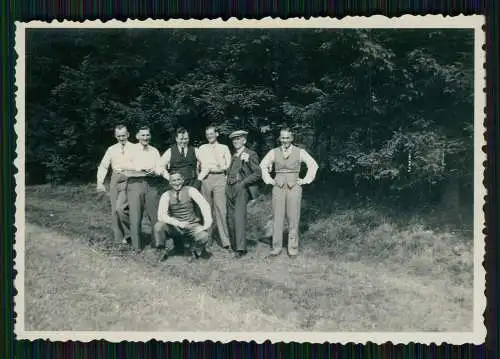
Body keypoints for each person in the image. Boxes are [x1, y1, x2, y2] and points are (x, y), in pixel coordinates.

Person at [260, 126, 319, 257]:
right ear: (279, 138)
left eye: (287, 138)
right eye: (282, 138)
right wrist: (269, 180)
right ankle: (276, 248)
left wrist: (304, 180)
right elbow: (263, 165)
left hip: (294, 186)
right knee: (277, 217)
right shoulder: (273, 152)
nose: (284, 140)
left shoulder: (300, 152)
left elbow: (313, 165)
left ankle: (293, 248)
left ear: (292, 138)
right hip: (278, 186)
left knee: (293, 217)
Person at [118, 126, 163, 251]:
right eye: (143, 135)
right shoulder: (130, 149)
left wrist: (155, 171)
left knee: (154, 215)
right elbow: (122, 165)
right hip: (134, 183)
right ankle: (137, 246)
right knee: (135, 216)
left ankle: (158, 244)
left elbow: (160, 167)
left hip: (151, 183)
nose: (145, 138)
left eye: (147, 135)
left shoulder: (154, 151)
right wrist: (140, 168)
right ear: (137, 136)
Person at [154, 171, 213, 262]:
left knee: (204, 236)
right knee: (158, 226)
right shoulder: (166, 195)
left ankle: (194, 250)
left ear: (183, 180)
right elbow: (161, 216)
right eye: (173, 180)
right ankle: (161, 251)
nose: (176, 183)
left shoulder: (191, 190)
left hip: (191, 224)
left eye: (178, 180)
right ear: (170, 182)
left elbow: (204, 205)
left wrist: (207, 224)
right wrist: (179, 224)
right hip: (175, 226)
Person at [226, 130, 262, 258]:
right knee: (230, 218)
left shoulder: (250, 154)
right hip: (229, 187)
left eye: (238, 139)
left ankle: (241, 249)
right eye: (234, 140)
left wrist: (243, 183)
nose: (235, 141)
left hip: (240, 188)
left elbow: (257, 173)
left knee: (238, 217)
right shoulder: (234, 155)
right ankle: (234, 245)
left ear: (244, 141)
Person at [96, 124, 134, 244]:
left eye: (123, 135)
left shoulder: (135, 148)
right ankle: (119, 239)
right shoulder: (111, 149)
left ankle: (131, 233)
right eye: (119, 136)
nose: (121, 138)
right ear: (115, 136)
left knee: (121, 208)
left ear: (128, 134)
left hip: (129, 178)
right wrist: (100, 182)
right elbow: (103, 165)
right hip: (115, 179)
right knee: (114, 210)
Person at [197, 125, 232, 250]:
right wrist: (200, 177)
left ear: (217, 134)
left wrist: (221, 168)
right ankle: (207, 238)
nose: (209, 137)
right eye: (207, 135)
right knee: (206, 209)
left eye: (211, 134)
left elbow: (228, 164)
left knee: (221, 210)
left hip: (220, 178)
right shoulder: (202, 148)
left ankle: (225, 240)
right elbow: (198, 165)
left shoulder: (224, 147)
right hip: (206, 179)